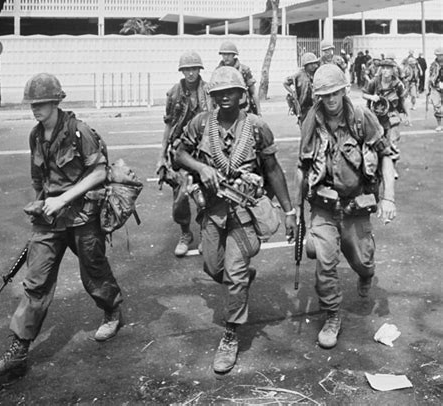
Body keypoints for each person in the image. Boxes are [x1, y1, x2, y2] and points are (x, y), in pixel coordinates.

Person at [0, 74, 123, 377]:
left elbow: (99, 172)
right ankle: (18, 350)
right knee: (36, 281)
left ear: (56, 101)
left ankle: (111, 310)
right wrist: (40, 202)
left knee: (94, 270)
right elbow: (39, 178)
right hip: (50, 220)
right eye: (32, 104)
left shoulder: (78, 132)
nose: (36, 109)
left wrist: (62, 200)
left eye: (41, 103)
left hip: (83, 216)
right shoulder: (35, 135)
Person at [175, 66, 297, 374]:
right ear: (212, 96)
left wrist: (289, 211)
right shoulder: (202, 123)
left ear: (242, 94)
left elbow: (272, 169)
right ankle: (237, 281)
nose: (225, 97)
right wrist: (202, 169)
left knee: (235, 273)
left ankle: (231, 333)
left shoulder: (256, 127)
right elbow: (179, 153)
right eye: (218, 93)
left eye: (231, 91)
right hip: (213, 211)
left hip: (244, 213)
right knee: (212, 267)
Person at [297, 64, 396, 349]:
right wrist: (295, 213)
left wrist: (388, 197)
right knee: (325, 264)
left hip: (355, 205)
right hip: (324, 207)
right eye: (324, 95)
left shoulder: (361, 118)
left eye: (334, 93)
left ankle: (366, 273)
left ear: (343, 90)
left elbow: (386, 155)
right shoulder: (311, 121)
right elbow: (301, 168)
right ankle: (331, 316)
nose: (330, 100)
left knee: (361, 261)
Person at [157, 51, 212, 257]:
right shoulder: (174, 93)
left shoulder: (208, 91)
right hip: (179, 151)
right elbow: (169, 125)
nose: (191, 73)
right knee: (180, 197)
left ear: (199, 70)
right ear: (182, 71)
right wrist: (161, 156)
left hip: (202, 150)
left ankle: (206, 233)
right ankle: (185, 233)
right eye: (187, 69)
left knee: (206, 195)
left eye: (194, 69)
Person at [362, 56, 410, 175]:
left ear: (393, 70)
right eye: (383, 68)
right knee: (376, 141)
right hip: (376, 116)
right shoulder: (375, 81)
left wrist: (408, 116)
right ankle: (375, 166)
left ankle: (392, 167)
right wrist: (372, 97)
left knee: (392, 141)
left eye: (388, 68)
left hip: (392, 115)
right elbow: (364, 94)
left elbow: (403, 100)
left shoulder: (397, 84)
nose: (385, 71)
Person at [217, 39, 261, 114]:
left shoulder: (244, 70)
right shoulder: (218, 71)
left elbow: (253, 92)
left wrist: (259, 111)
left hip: (243, 108)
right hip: (224, 107)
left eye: (229, 54)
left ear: (234, 55)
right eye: (224, 54)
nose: (226, 57)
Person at [283, 52, 319, 126]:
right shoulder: (299, 75)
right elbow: (285, 83)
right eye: (310, 64)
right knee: (305, 126)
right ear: (305, 65)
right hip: (303, 106)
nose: (313, 66)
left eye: (314, 63)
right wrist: (293, 92)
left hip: (316, 105)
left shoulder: (317, 73)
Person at [428, 47, 443, 132]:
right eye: (438, 55)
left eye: (440, 55)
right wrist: (428, 88)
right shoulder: (433, 65)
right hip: (436, 87)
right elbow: (430, 76)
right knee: (437, 106)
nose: (439, 57)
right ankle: (439, 125)